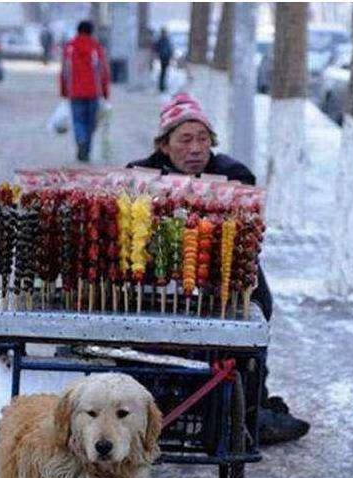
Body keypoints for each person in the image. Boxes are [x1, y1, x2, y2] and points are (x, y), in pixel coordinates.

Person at [127, 93, 310, 446]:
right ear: (164, 146)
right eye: (185, 139)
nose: (196, 148)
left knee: (257, 302)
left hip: (220, 274)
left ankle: (250, 408)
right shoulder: (140, 175)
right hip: (157, 274)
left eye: (203, 139)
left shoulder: (235, 175)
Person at [60, 20, 110, 163]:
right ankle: (86, 149)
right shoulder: (96, 47)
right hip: (94, 93)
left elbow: (64, 71)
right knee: (91, 123)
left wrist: (64, 90)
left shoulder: (69, 47)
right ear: (91, 31)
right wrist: (105, 92)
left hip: (75, 92)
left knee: (78, 121)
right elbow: (103, 72)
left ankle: (81, 141)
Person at [153, 27, 173, 93]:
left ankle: (163, 85)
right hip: (163, 57)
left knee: (164, 72)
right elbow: (157, 48)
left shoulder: (165, 40)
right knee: (163, 72)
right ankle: (161, 86)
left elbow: (170, 49)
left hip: (166, 57)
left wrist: (170, 55)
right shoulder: (162, 40)